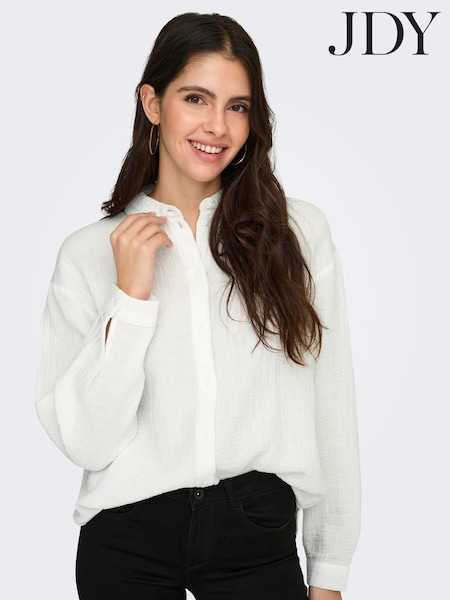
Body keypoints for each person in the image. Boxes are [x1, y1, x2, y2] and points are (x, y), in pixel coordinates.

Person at [35, 12, 360, 600]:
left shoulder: (297, 236)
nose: (217, 125)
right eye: (195, 98)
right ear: (152, 103)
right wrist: (130, 299)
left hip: (257, 533)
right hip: (126, 538)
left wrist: (330, 568)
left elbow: (330, 405)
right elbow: (88, 442)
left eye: (238, 106)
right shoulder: (88, 254)